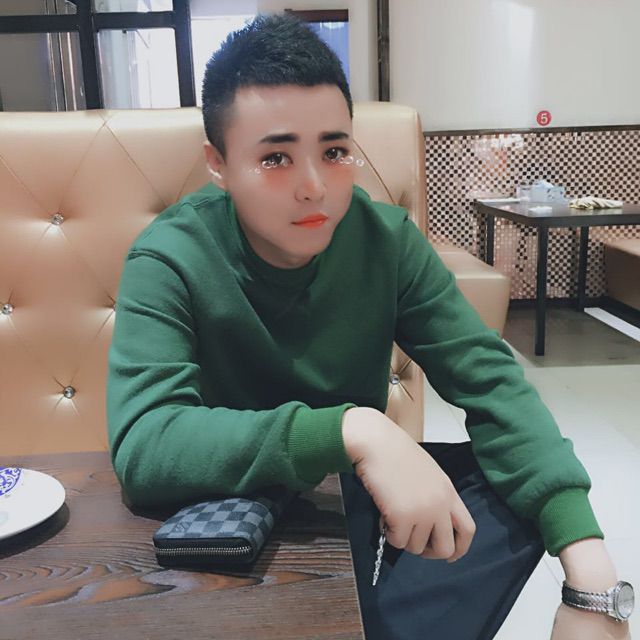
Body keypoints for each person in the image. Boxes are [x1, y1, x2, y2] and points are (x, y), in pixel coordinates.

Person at [106, 14, 632, 640]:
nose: (314, 188)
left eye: (334, 152)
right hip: (219, 516)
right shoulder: (169, 255)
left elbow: (491, 383)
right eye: (275, 157)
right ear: (217, 164)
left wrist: (592, 580)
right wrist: (352, 428)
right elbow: (145, 444)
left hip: (350, 503)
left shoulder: (386, 241)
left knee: (516, 482)